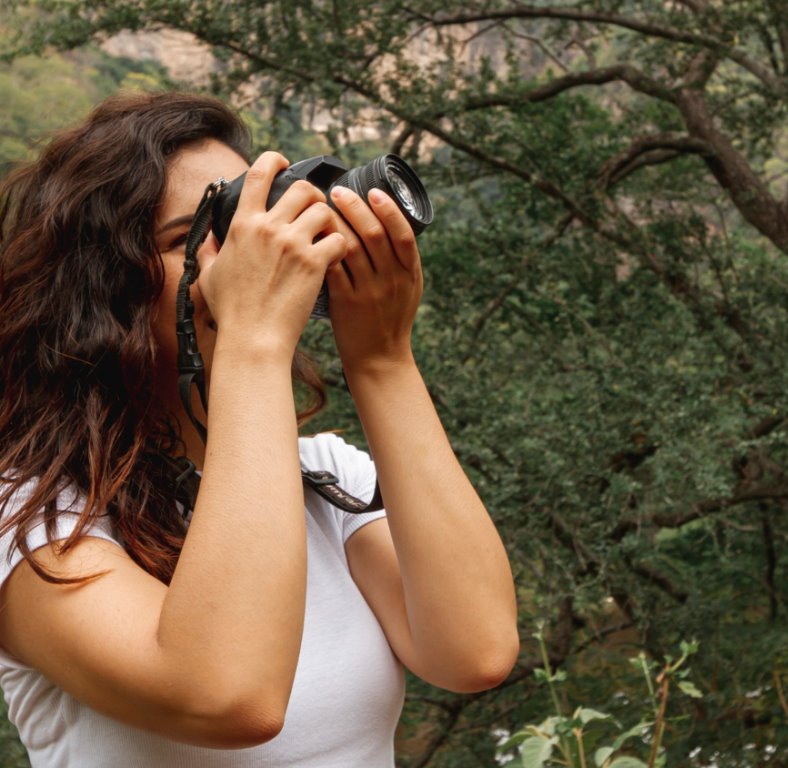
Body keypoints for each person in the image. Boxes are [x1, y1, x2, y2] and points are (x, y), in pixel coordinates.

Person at [0, 90, 519, 766]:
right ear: (98, 289)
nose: (244, 256)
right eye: (193, 238)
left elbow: (473, 649)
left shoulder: (327, 480)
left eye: (249, 222)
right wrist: (254, 340)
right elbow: (227, 693)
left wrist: (383, 361)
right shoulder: (34, 520)